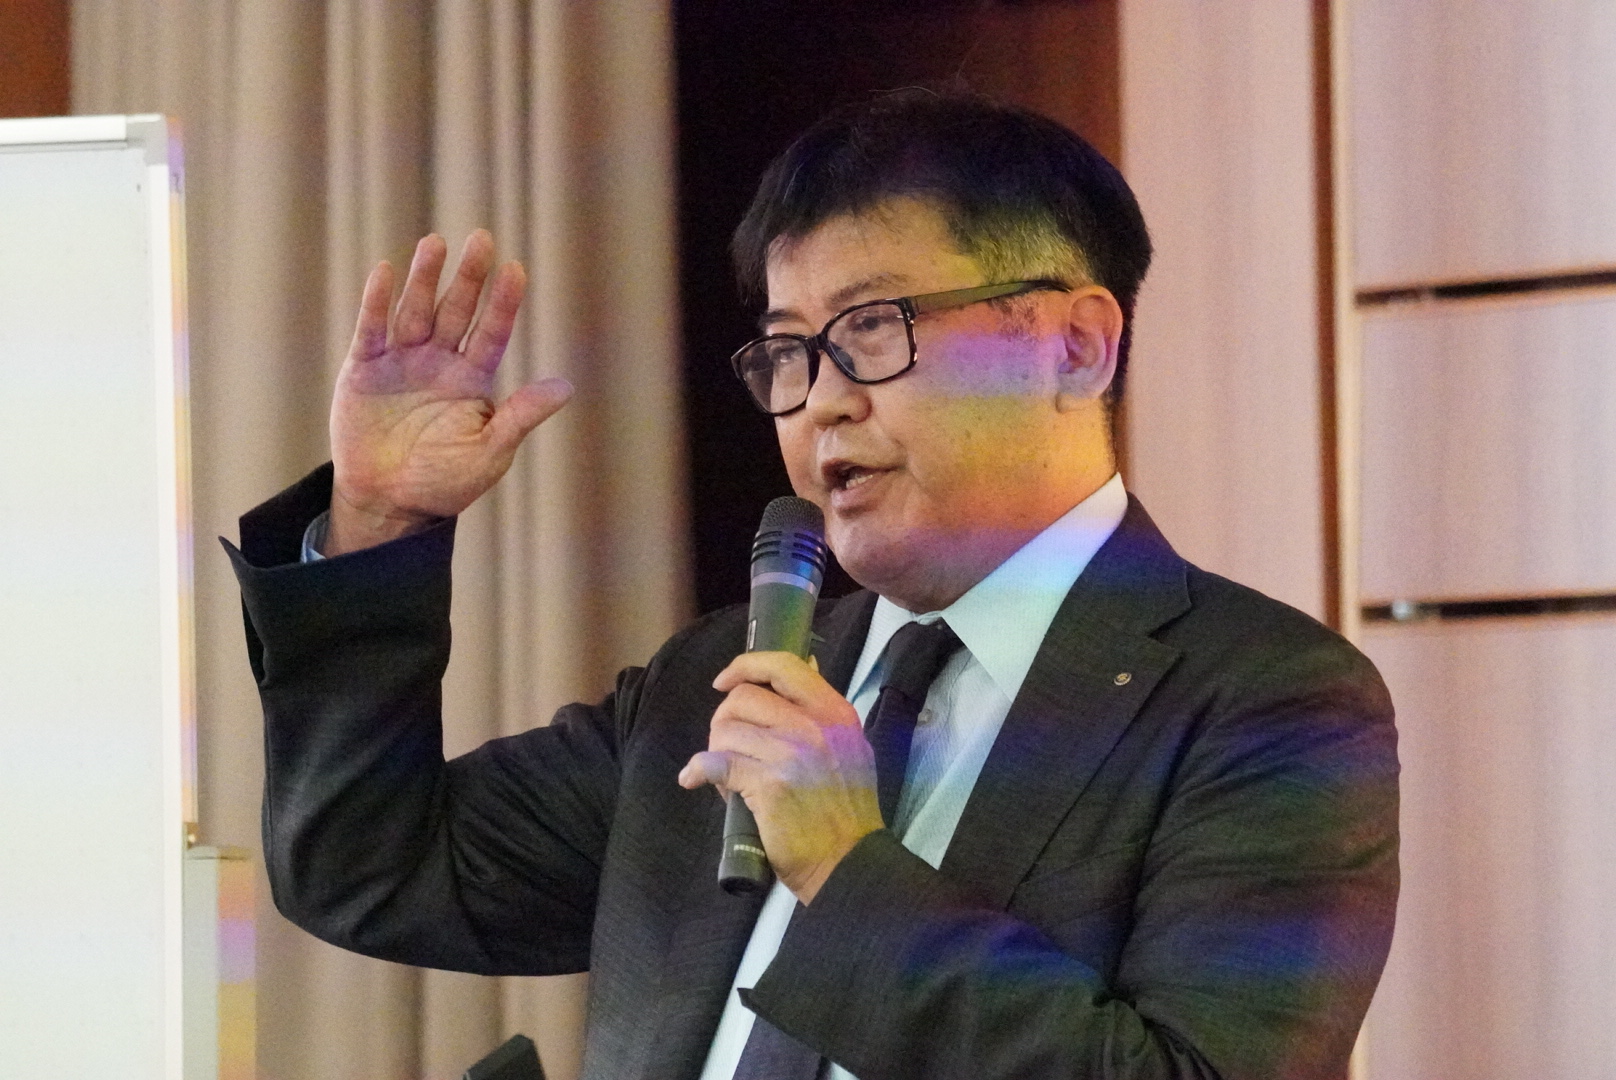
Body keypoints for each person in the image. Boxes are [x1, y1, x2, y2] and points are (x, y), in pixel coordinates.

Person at [226, 90, 1398, 1080]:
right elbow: (369, 867)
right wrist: (380, 524)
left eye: (873, 329)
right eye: (790, 350)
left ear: (1072, 346)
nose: (821, 401)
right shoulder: (719, 681)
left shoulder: (1264, 705)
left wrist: (843, 871)